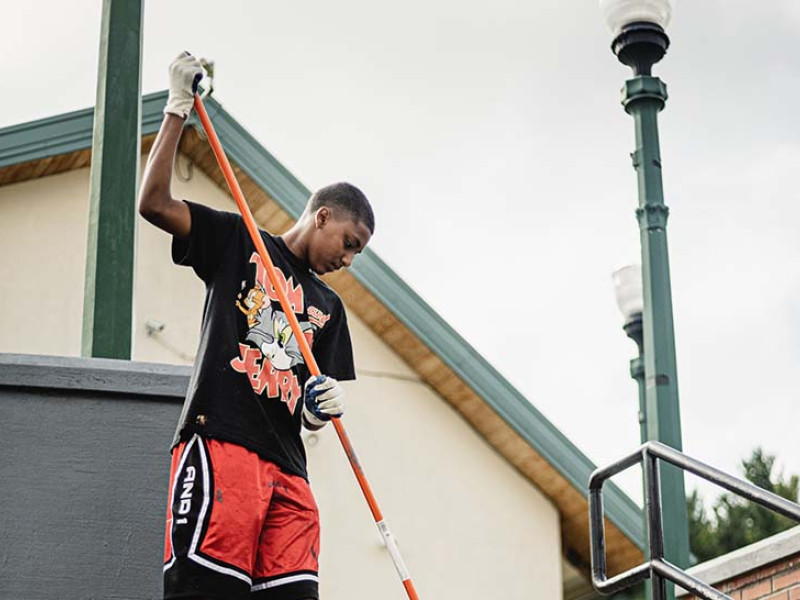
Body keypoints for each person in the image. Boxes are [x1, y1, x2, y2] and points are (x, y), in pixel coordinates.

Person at [138, 52, 375, 600]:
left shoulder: (328, 308)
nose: (350, 259)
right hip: (222, 443)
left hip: (290, 472)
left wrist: (318, 409)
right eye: (349, 243)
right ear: (322, 217)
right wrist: (177, 109)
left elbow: (310, 414)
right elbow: (153, 204)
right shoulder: (239, 242)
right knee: (205, 592)